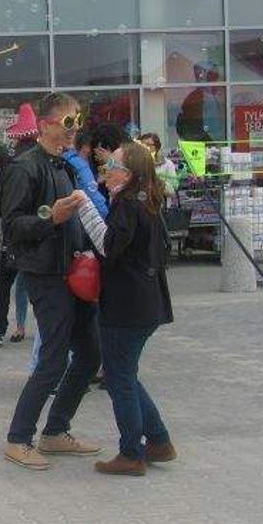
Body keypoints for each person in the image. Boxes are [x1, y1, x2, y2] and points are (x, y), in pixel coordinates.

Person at [0, 92, 103, 470]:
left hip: (73, 272)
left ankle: (55, 431)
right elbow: (12, 228)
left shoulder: (66, 165)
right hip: (46, 275)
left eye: (78, 121)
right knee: (54, 359)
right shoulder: (25, 167)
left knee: (91, 355)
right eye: (68, 122)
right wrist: (51, 219)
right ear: (45, 125)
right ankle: (18, 438)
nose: (75, 129)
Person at [73, 143, 177, 476]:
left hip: (126, 307)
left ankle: (131, 453)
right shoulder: (148, 200)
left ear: (128, 173)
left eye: (113, 165)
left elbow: (109, 246)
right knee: (126, 375)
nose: (106, 170)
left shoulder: (128, 204)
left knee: (119, 380)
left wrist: (85, 209)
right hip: (146, 303)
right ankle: (159, 441)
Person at [0, 104, 37, 347]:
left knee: (5, 282)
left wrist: (6, 216)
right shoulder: (42, 160)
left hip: (12, 231)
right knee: (39, 282)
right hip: (36, 231)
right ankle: (47, 328)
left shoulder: (8, 163)